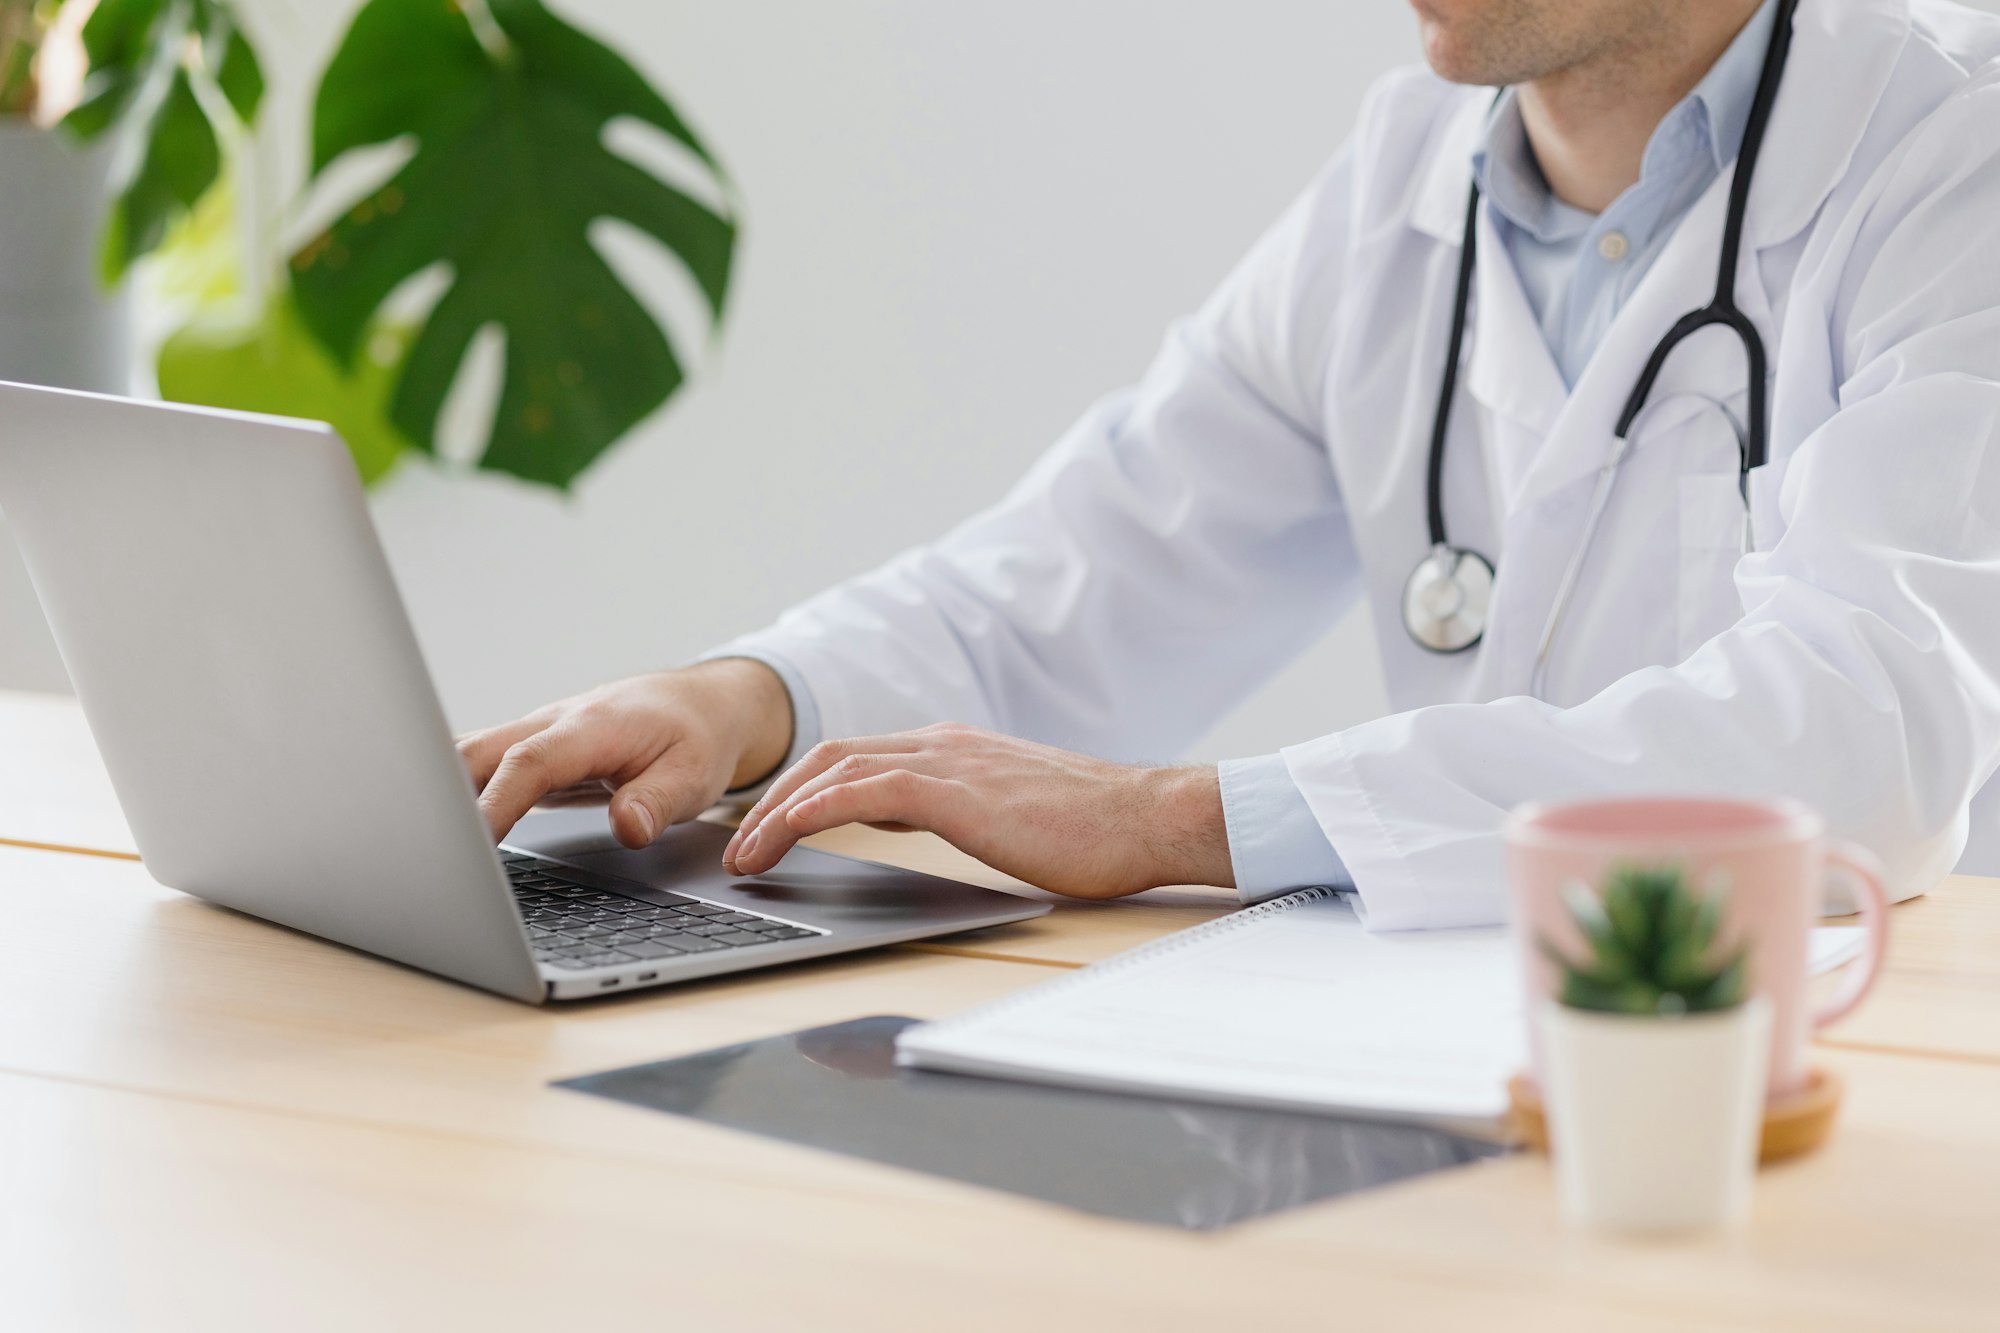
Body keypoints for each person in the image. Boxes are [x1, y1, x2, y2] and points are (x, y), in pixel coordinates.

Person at [459, 0, 2000, 929]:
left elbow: (1868, 738)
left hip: (1874, 1077)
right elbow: (1078, 579)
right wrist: (750, 697)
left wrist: (1180, 820)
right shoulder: (1405, 187)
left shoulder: (1950, 152)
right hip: (1496, 1057)